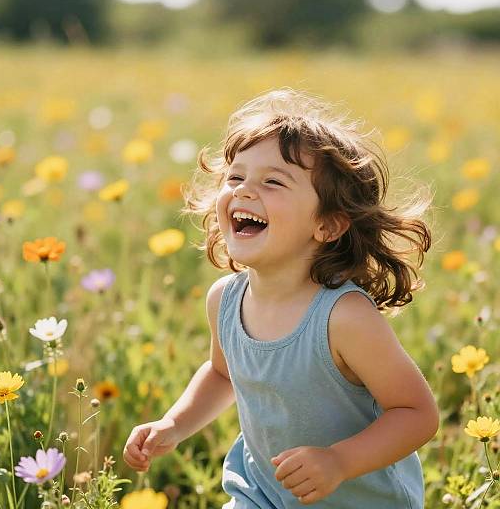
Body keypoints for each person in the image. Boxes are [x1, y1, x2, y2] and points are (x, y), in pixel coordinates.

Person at [123, 88, 439, 508]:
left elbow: (417, 414)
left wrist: (338, 461)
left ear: (327, 225)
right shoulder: (225, 299)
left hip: (360, 499)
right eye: (235, 177)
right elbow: (221, 374)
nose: (244, 191)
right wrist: (174, 424)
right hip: (261, 493)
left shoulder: (343, 317)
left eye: (272, 181)